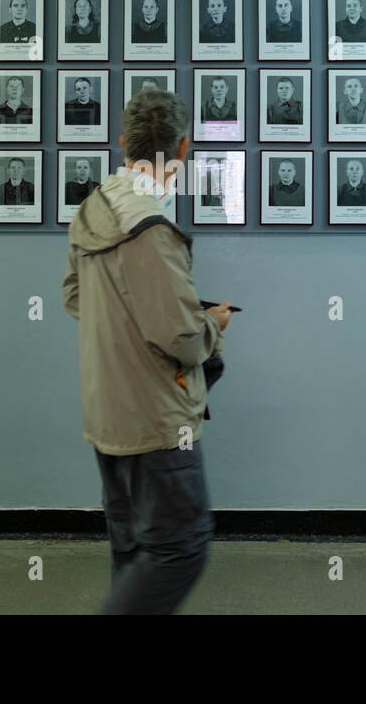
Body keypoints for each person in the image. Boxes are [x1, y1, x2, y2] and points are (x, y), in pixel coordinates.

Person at [61, 88, 233, 614]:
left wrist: (130, 318)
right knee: (178, 549)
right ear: (182, 149)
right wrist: (213, 323)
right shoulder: (151, 227)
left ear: (122, 142)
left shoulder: (96, 206)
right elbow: (180, 338)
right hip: (156, 421)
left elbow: (76, 297)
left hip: (107, 412)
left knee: (136, 548)